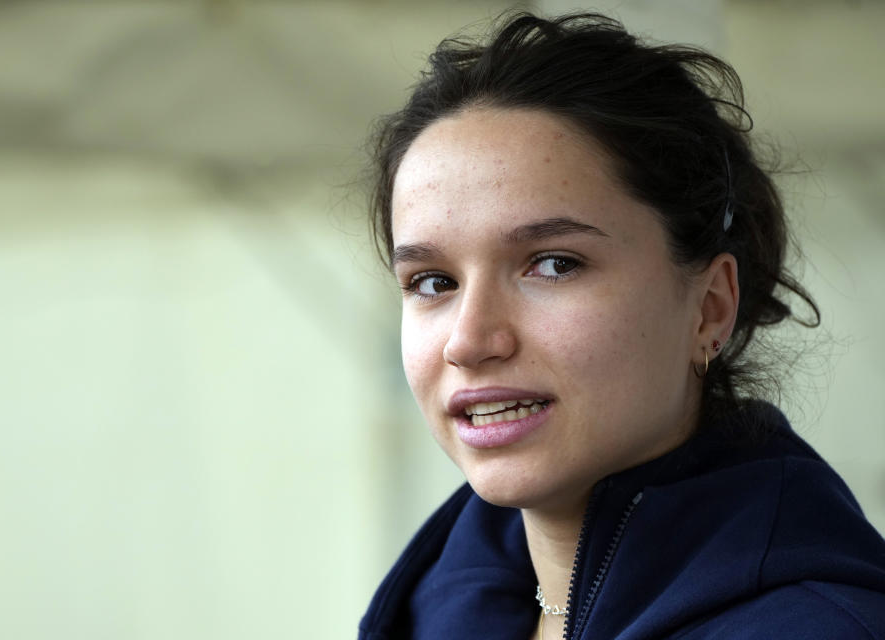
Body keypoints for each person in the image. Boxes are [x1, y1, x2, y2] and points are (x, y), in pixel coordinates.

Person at [357, 11, 885, 640]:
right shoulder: (426, 606)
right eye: (433, 282)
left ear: (710, 307)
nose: (469, 341)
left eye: (554, 264)